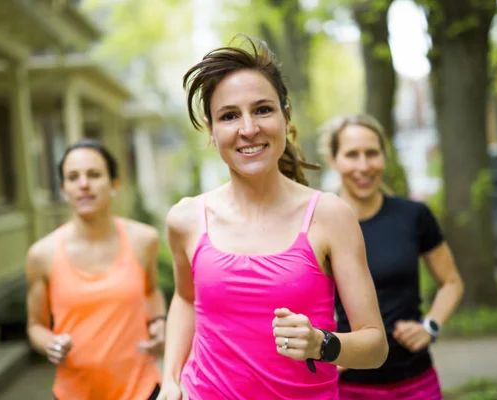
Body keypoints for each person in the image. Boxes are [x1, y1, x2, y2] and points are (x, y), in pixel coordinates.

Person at [157, 36, 388, 400]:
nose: (248, 129)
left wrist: (321, 344)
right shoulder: (186, 218)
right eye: (229, 116)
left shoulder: (328, 216)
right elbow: (186, 300)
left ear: (285, 115)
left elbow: (375, 346)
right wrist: (170, 379)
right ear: (212, 132)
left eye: (262, 109)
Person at [321, 115, 464, 399]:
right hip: (349, 387)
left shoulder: (413, 215)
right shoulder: (318, 224)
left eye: (372, 153)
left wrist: (430, 326)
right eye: (352, 155)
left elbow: (451, 282)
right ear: (333, 160)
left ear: (384, 157)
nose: (363, 166)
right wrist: (326, 351)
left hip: (415, 380)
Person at [26, 138, 166, 400]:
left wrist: (159, 322)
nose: (83, 184)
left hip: (141, 389)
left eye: (94, 174)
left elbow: (151, 291)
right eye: (73, 177)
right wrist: (51, 344)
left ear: (114, 184)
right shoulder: (42, 255)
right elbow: (35, 325)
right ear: (63, 188)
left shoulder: (143, 240)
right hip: (74, 393)